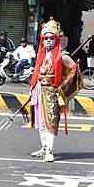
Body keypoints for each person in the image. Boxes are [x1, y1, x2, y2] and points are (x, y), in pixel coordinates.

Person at [29, 17, 80, 162]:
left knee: (51, 121)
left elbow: (74, 69)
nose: (48, 41)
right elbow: (37, 73)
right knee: (40, 121)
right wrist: (33, 87)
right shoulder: (42, 55)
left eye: (51, 38)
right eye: (45, 39)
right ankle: (44, 147)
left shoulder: (62, 55)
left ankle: (50, 151)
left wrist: (63, 87)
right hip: (39, 90)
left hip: (52, 92)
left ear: (56, 39)